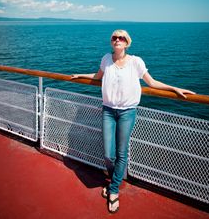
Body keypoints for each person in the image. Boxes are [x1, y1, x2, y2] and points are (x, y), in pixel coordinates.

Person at [71, 29, 195, 214]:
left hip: (127, 112)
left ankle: (113, 190)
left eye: (121, 38)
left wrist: (174, 88)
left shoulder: (135, 61)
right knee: (107, 153)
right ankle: (115, 182)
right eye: (115, 37)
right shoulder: (106, 59)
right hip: (108, 111)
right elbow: (98, 77)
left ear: (127, 43)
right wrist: (80, 75)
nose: (117, 40)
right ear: (111, 42)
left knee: (121, 152)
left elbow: (151, 83)